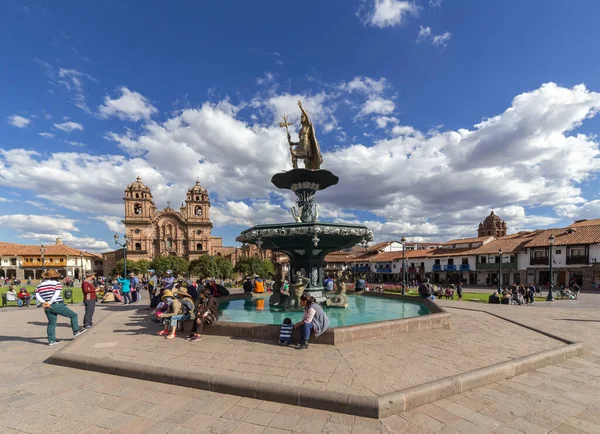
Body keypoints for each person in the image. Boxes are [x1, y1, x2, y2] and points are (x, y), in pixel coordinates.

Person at [35, 269, 87, 346]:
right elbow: (56, 294)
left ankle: (51, 340)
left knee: (51, 323)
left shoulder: (39, 285)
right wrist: (50, 302)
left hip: (46, 306)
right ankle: (76, 330)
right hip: (56, 304)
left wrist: (44, 302)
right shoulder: (57, 284)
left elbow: (37, 295)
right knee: (73, 315)